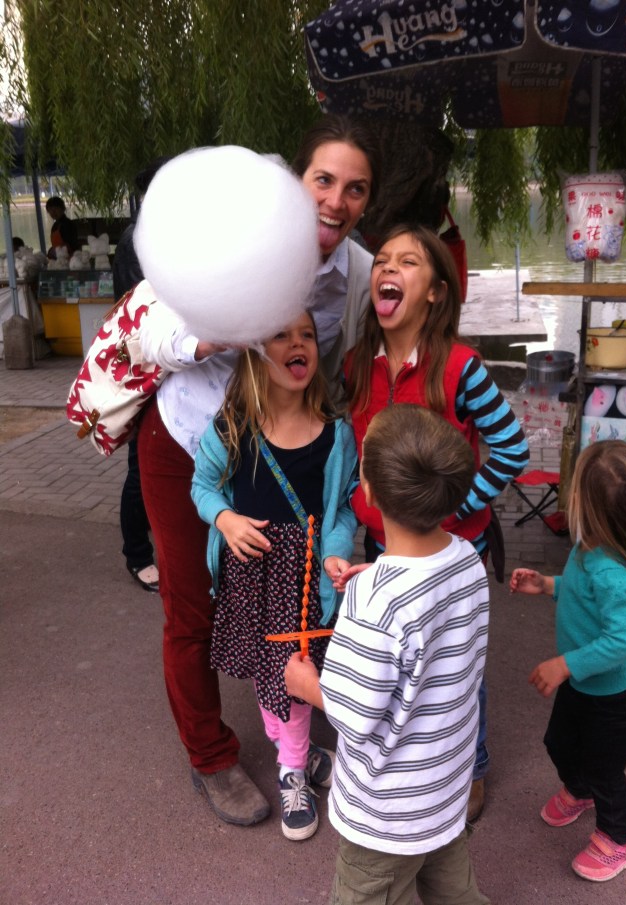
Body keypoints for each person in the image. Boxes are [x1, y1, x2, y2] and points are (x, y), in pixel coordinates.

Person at [136, 115, 381, 827]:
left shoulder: (357, 274)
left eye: (356, 188)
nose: (337, 201)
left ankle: (294, 725)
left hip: (279, 448)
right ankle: (210, 753)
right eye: (324, 180)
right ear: (290, 183)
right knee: (191, 607)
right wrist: (226, 320)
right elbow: (151, 334)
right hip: (188, 438)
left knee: (294, 602)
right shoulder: (231, 230)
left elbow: (350, 368)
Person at [343, 224, 529, 821]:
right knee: (392, 661)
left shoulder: (462, 367)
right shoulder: (354, 367)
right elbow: (351, 456)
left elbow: (510, 450)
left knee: (456, 669)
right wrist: (352, 514)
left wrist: (451, 508)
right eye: (381, 261)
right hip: (379, 548)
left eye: (408, 262)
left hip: (455, 553)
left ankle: (470, 768)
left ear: (436, 292)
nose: (387, 269)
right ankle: (399, 761)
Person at [285, 403, 491, 905]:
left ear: (368, 491)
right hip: (444, 788)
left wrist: (306, 685)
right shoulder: (466, 558)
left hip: (387, 814)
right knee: (453, 890)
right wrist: (375, 580)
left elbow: (356, 714)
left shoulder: (375, 599)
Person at [191, 311, 358, 840]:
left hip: (306, 579)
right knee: (273, 677)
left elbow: (344, 510)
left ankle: (294, 762)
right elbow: (202, 486)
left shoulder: (336, 434)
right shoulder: (232, 427)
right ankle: (297, 759)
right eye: (281, 334)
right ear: (254, 353)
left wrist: (335, 551)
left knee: (296, 677)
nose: (297, 342)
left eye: (306, 334)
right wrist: (225, 518)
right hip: (254, 579)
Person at [510, 440, 626, 882]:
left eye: (574, 489)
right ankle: (578, 791)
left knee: (605, 770)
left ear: (591, 506)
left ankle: (620, 840)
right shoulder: (590, 548)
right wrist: (546, 585)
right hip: (584, 687)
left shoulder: (612, 574)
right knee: (558, 743)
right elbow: (581, 592)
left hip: (617, 700)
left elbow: (622, 643)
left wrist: (565, 664)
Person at [113, 158, 171, 593]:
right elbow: (151, 302)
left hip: (173, 362)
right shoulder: (139, 238)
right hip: (148, 365)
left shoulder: (166, 231)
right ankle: (136, 553)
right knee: (141, 462)